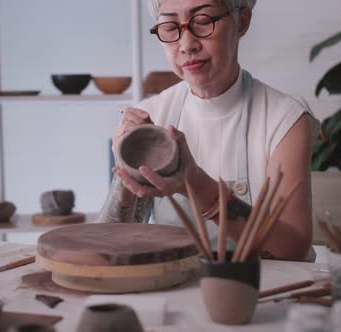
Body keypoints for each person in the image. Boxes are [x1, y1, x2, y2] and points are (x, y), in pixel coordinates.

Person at [98, 0, 319, 261]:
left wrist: (195, 183)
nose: (187, 44)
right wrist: (126, 173)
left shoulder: (285, 119)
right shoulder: (152, 118)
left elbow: (293, 248)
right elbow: (108, 250)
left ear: (242, 21)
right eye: (170, 27)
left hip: (260, 289)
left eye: (203, 21)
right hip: (175, 287)